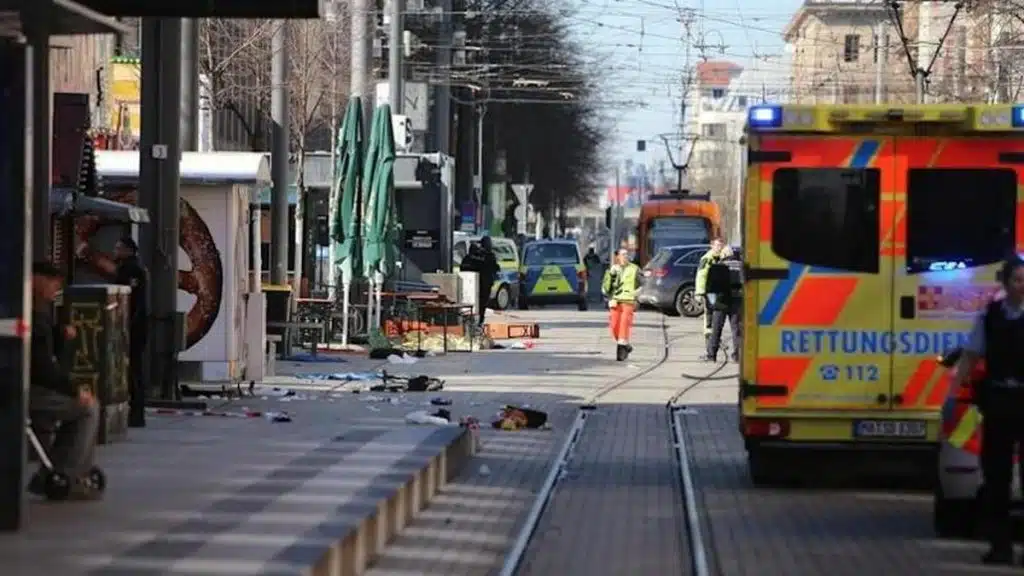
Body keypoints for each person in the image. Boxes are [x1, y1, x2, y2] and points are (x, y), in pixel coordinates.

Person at [955, 256, 1024, 565]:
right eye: (1018, 280)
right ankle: (1001, 547)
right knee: (997, 478)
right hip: (999, 401)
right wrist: (958, 385)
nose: (1022, 286)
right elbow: (971, 353)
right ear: (1006, 283)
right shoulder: (990, 315)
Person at [27, 261, 101, 499]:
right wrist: (74, 389)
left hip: (31, 385)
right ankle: (68, 471)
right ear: (37, 279)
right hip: (27, 389)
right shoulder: (33, 312)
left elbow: (46, 356)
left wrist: (61, 336)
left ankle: (62, 467)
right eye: (53, 284)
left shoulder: (40, 311)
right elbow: (42, 368)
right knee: (87, 409)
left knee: (82, 407)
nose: (55, 290)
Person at [702, 248, 742, 363]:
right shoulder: (743, 266)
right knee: (737, 329)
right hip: (737, 300)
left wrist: (711, 305)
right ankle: (738, 355)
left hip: (721, 301)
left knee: (716, 328)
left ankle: (711, 355)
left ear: (723, 255)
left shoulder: (717, 267)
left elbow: (710, 287)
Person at [602, 248, 641, 361]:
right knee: (614, 327)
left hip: (628, 301)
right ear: (618, 257)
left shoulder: (634, 269)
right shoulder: (613, 269)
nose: (625, 256)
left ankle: (621, 352)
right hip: (615, 301)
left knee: (624, 324)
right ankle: (626, 346)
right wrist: (611, 275)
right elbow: (606, 286)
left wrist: (636, 294)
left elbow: (643, 284)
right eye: (623, 254)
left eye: (627, 254)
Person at [695, 239, 733, 349]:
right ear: (712, 246)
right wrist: (700, 292)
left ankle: (715, 340)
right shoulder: (707, 258)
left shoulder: (721, 258)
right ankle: (710, 341)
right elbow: (701, 275)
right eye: (717, 245)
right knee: (710, 315)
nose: (719, 248)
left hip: (718, 291)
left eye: (721, 245)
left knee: (717, 316)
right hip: (710, 292)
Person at [460, 237, 500, 326]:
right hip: (484, 284)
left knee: (472, 304)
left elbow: (463, 268)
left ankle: (472, 321)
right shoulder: (488, 256)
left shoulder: (469, 258)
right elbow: (495, 267)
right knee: (482, 304)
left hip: (472, 285)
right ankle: (479, 321)